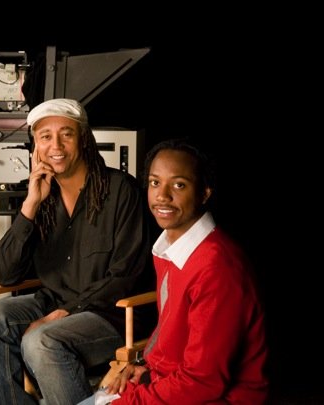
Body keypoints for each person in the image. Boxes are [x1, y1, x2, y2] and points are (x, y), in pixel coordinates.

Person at [0, 98, 156, 405]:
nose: (55, 145)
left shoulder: (120, 190)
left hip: (113, 315)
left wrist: (64, 313)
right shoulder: (41, 196)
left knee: (41, 340)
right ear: (35, 147)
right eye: (45, 136)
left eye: (66, 134)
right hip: (54, 303)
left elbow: (125, 276)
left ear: (83, 139)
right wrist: (31, 205)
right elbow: (4, 275)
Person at [78, 138, 269, 404]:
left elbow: (203, 381)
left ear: (204, 193)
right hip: (171, 383)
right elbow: (174, 333)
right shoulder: (171, 248)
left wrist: (131, 402)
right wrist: (145, 365)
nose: (162, 195)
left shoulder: (216, 267)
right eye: (155, 182)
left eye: (179, 185)